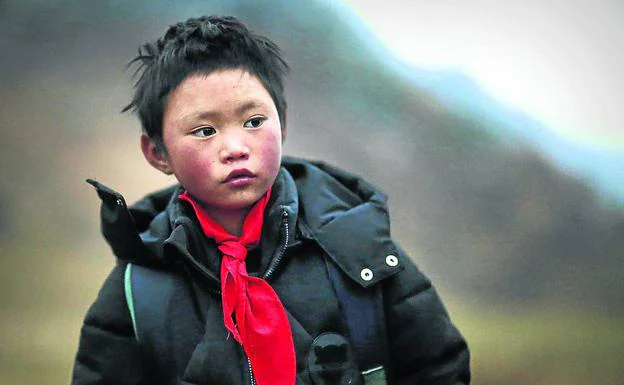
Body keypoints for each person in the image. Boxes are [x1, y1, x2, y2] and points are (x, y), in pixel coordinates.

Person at [71, 15, 470, 385]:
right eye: (205, 130)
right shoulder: (140, 285)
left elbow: (438, 365)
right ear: (158, 153)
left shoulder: (356, 244)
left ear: (283, 122)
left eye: (254, 122)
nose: (235, 147)